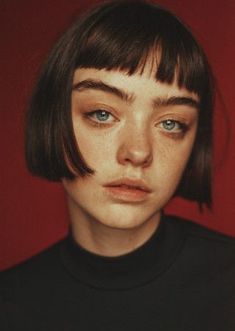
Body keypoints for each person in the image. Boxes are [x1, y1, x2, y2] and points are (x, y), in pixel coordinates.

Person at [1, 0, 235, 330]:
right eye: (102, 114)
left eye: (171, 123)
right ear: (52, 121)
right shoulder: (10, 305)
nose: (138, 152)